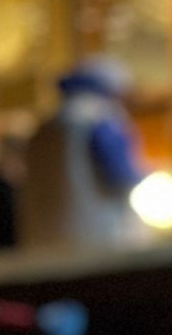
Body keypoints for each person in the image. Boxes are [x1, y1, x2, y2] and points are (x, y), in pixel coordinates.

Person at [19, 57, 150, 252]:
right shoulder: (100, 120)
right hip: (99, 239)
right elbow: (123, 176)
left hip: (43, 245)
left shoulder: (42, 130)